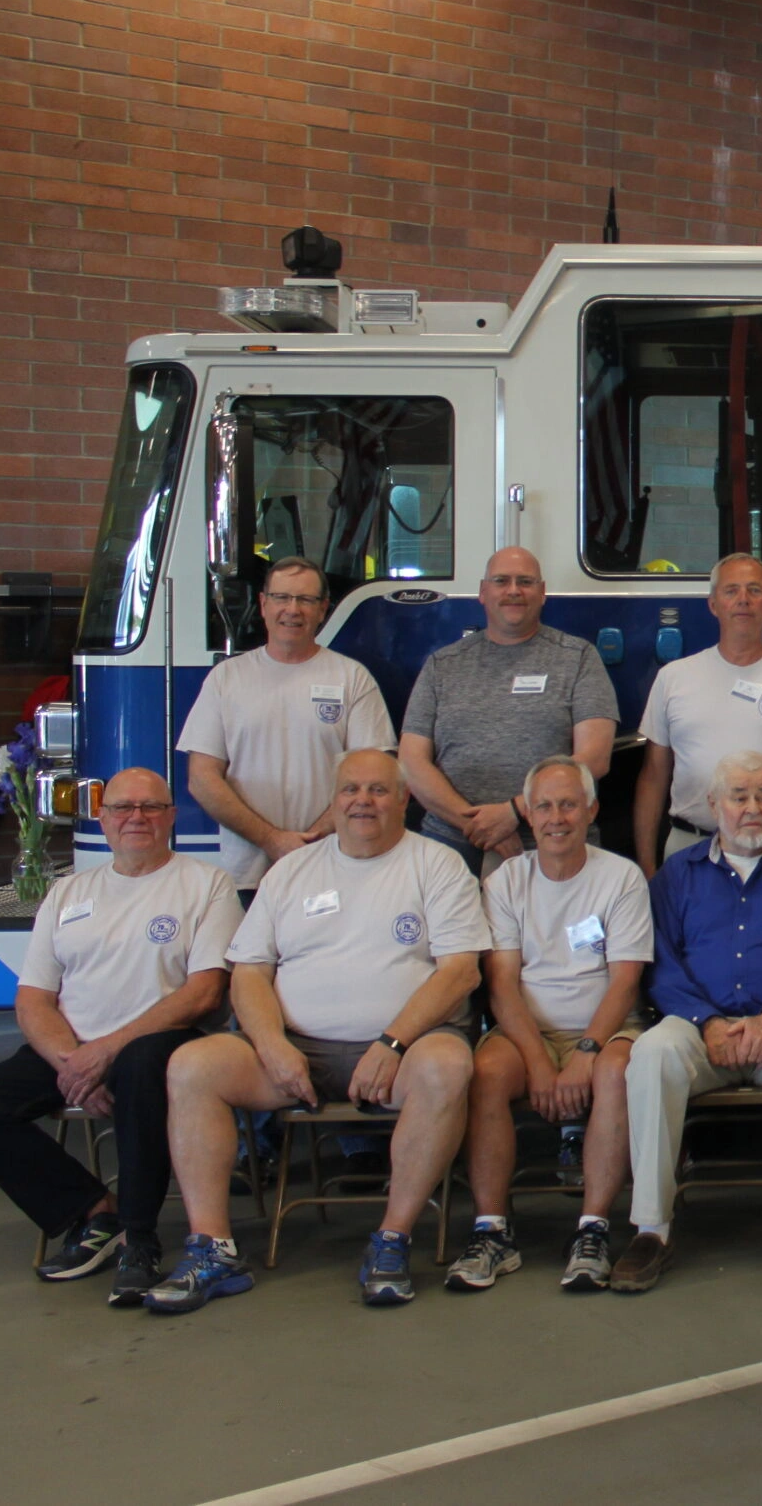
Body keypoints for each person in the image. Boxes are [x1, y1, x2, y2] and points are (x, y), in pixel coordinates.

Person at [147, 750, 491, 1312]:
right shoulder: (290, 870)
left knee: (448, 1067)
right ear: (332, 802)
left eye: (379, 790)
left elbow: (460, 972)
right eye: (350, 790)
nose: (362, 801)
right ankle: (214, 1249)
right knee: (192, 1066)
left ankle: (392, 1240)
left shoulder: (438, 864)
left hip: (403, 1052)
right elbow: (251, 972)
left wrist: (392, 1042)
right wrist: (272, 1046)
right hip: (295, 1051)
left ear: (404, 800)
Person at [0, 769, 238, 1305]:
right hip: (71, 1049)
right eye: (123, 808)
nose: (136, 818)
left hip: (161, 1041)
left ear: (172, 816)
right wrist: (72, 1061)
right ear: (102, 820)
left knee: (143, 1067)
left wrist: (105, 1052)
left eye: (150, 807)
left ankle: (140, 1240)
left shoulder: (207, 885)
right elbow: (33, 998)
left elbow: (203, 995)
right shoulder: (68, 891)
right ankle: (94, 1213)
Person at [611, 751, 762, 1289]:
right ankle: (651, 1228)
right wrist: (706, 1021)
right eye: (739, 797)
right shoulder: (677, 874)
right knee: (650, 1053)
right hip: (699, 1030)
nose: (752, 808)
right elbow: (660, 961)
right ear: (713, 804)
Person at [449, 757, 653, 1294]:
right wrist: (539, 1063)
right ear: (528, 816)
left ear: (591, 810)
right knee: (488, 1073)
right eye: (543, 806)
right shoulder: (505, 881)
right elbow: (501, 986)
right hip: (526, 1034)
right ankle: (491, 1231)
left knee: (614, 1074)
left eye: (568, 804)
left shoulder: (622, 877)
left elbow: (625, 981)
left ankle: (593, 1230)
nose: (556, 817)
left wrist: (587, 1050)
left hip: (607, 1029)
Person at [177, 556, 395, 889]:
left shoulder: (352, 678)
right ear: (263, 604)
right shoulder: (226, 678)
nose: (292, 609)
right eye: (281, 597)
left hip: (333, 865)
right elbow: (202, 779)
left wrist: (311, 840)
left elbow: (375, 775)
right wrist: (271, 839)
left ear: (323, 609)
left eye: (306, 600)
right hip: (248, 875)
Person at [401, 547, 618, 875]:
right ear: (482, 592)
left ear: (542, 593)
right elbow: (412, 762)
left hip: (552, 842)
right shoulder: (442, 665)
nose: (513, 590)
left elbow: (595, 758)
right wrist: (478, 825)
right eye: (501, 581)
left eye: (525, 582)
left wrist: (515, 812)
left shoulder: (578, 658)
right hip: (450, 845)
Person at [634, 552, 762, 872]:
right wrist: (647, 868)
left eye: (754, 590)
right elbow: (653, 777)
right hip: (691, 852)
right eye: (731, 591)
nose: (743, 599)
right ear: (713, 604)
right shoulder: (674, 678)